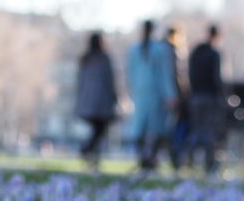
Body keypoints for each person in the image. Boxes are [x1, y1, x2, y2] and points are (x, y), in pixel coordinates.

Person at [125, 20, 178, 171]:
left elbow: (130, 73)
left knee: (140, 127)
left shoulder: (134, 50)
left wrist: (133, 89)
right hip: (155, 93)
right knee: (157, 128)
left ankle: (144, 157)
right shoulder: (160, 49)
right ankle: (150, 158)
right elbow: (164, 73)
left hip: (140, 92)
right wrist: (170, 94)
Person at [74, 32, 118, 171]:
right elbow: (110, 80)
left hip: (87, 101)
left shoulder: (85, 59)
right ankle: (89, 151)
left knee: (96, 130)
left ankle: (89, 153)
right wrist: (114, 97)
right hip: (101, 102)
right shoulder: (104, 59)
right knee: (99, 130)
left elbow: (80, 81)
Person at [186, 24, 224, 174]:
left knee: (196, 128)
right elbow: (216, 77)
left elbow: (190, 73)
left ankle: (189, 158)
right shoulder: (214, 54)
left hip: (195, 96)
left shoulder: (196, 52)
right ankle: (209, 163)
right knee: (208, 130)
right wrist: (221, 95)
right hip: (209, 96)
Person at [163, 26, 189, 171]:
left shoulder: (160, 50)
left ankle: (175, 155)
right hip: (173, 96)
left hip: (166, 95)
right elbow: (176, 75)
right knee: (176, 127)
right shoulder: (171, 52)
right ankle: (176, 155)